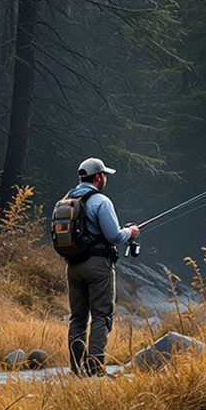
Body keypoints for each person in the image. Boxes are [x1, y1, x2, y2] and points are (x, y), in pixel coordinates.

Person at [63, 157, 139, 375]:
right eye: (104, 175)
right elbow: (114, 236)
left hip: (73, 266)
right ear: (98, 177)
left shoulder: (65, 200)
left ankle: (76, 369)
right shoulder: (101, 201)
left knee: (77, 317)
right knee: (101, 315)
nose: (105, 178)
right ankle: (95, 368)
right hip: (97, 266)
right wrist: (130, 232)